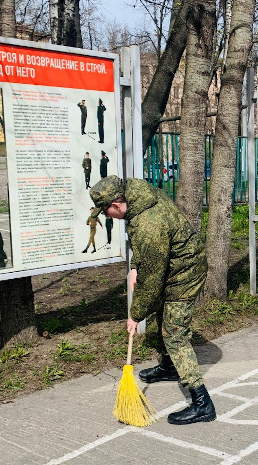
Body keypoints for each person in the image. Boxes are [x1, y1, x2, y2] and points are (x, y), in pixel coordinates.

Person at [89, 176, 215, 425]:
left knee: (174, 333)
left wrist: (135, 315)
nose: (106, 216)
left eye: (105, 211)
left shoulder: (149, 223)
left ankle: (202, 403)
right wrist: (136, 266)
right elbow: (144, 248)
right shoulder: (137, 197)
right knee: (159, 314)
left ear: (116, 204)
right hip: (170, 263)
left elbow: (151, 281)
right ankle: (169, 367)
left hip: (185, 273)